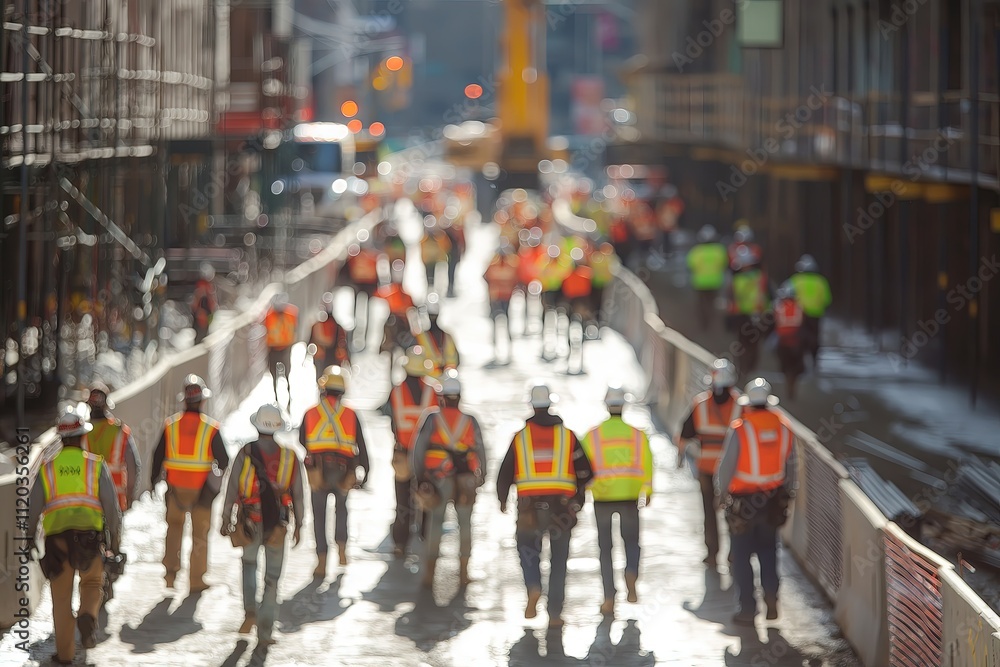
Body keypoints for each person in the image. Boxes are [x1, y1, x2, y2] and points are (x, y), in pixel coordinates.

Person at [26, 407, 122, 665]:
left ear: (61, 438)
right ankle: (89, 616)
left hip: (57, 542)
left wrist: (27, 539)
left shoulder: (47, 468)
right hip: (89, 540)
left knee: (60, 598)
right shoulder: (95, 464)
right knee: (92, 583)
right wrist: (114, 542)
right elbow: (112, 508)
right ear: (81, 437)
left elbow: (33, 507)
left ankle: (66, 655)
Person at [496, 383, 594, 627]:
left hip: (529, 508)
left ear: (532, 406)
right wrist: (578, 498)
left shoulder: (520, 437)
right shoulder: (568, 436)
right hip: (562, 508)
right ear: (550, 405)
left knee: (528, 549)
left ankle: (533, 586)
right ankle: (555, 614)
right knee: (559, 560)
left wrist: (502, 500)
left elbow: (505, 473)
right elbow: (587, 472)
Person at [221, 404, 305, 644]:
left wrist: (226, 518)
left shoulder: (245, 453)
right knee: (272, 578)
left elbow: (231, 489)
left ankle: (250, 613)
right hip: (278, 524)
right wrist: (300, 524)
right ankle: (266, 631)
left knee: (249, 565)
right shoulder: (290, 456)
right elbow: (298, 495)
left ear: (256, 426)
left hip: (249, 520)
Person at [715, 379, 796, 625]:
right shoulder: (784, 427)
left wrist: (720, 495)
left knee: (741, 556)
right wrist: (789, 492)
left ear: (748, 404)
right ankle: (771, 595)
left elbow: (726, 467)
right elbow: (792, 464)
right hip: (772, 501)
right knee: (769, 550)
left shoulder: (741, 428)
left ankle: (748, 609)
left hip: (743, 503)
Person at [149, 375, 229, 590]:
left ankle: (170, 575)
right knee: (200, 535)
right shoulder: (211, 429)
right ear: (202, 401)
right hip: (201, 491)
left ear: (184, 401)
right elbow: (224, 460)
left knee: (174, 529)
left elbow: (157, 457)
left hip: (175, 489)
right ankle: (196, 580)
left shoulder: (170, 426)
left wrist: (154, 480)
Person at [410, 370, 487, 588]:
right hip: (466, 481)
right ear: (460, 397)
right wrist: (482, 477)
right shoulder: (470, 420)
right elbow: (481, 450)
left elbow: (418, 450)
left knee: (435, 524)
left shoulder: (432, 418)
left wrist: (419, 477)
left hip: (438, 479)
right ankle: (463, 575)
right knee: (465, 525)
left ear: (441, 397)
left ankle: (429, 575)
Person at [581, 387, 653, 615]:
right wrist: (648, 490)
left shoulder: (592, 435)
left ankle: (609, 598)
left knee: (605, 548)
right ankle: (631, 571)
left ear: (606, 405)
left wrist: (584, 490)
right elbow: (648, 462)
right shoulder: (637, 435)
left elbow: (582, 467)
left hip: (602, 497)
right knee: (631, 542)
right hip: (630, 495)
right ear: (624, 406)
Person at [300, 365, 370, 576]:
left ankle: (321, 562)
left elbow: (301, 440)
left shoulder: (311, 413)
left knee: (319, 515)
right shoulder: (350, 413)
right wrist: (365, 472)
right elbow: (361, 445)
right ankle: (342, 551)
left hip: (317, 471)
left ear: (323, 388)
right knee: (342, 510)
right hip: (344, 471)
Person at [676, 359, 741, 568]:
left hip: (707, 470)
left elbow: (684, 433)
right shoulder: (741, 405)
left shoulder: (700, 404)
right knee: (734, 511)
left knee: (709, 511)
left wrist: (679, 456)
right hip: (733, 471)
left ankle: (712, 553)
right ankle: (733, 554)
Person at [83, 382, 140, 602]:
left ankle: (94, 582)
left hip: (88, 500)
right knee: (113, 539)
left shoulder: (80, 433)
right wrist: (131, 494)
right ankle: (109, 575)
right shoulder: (119, 431)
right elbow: (133, 466)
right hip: (115, 498)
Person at [381, 351, 438, 556]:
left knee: (403, 500)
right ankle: (425, 537)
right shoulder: (433, 392)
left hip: (403, 455)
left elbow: (391, 422)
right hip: (426, 456)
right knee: (425, 495)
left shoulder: (395, 392)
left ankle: (400, 543)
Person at [727, 247, 770, 379]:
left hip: (753, 315)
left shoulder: (743, 279)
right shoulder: (759, 277)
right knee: (746, 344)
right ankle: (744, 369)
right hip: (745, 316)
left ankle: (747, 369)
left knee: (749, 345)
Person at [788, 254, 832, 369]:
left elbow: (787, 295)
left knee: (799, 337)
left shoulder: (795, 280)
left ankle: (799, 359)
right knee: (814, 337)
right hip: (816, 315)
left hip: (800, 315)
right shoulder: (821, 281)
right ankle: (814, 359)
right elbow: (827, 299)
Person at [484, 240, 521, 363]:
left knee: (507, 325)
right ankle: (495, 351)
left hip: (506, 298)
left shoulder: (512, 265)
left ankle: (509, 351)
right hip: (496, 298)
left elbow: (517, 279)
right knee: (495, 324)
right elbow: (485, 277)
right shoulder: (493, 264)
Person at [687, 225, 729, 331]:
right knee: (712, 303)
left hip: (700, 283)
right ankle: (711, 321)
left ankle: (703, 322)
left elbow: (691, 265)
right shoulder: (719, 251)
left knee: (701, 303)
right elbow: (724, 264)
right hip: (715, 282)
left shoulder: (697, 251)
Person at [264, 292, 299, 408]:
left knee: (287, 374)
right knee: (274, 375)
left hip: (285, 348)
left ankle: (289, 399)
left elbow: (294, 329)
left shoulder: (291, 314)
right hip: (273, 349)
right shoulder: (269, 315)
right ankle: (276, 399)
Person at [774, 283, 805, 400]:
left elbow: (776, 323)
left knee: (785, 367)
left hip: (783, 343)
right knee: (795, 368)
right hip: (796, 343)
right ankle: (792, 386)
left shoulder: (779, 307)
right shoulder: (799, 307)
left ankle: (789, 385)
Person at [308, 296, 350, 381]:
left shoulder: (337, 327)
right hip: (321, 356)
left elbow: (342, 343)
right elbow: (311, 340)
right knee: (321, 377)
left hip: (332, 356)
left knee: (332, 377)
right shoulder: (317, 325)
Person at [415, 295, 459, 376]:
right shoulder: (420, 337)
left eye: (433, 316)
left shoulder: (447, 336)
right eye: (431, 316)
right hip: (428, 378)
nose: (432, 319)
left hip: (447, 377)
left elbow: (456, 360)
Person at [191, 263, 218, 343]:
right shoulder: (201, 286)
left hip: (207, 315)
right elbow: (195, 303)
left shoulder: (209, 287)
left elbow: (212, 302)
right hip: (201, 315)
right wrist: (199, 312)